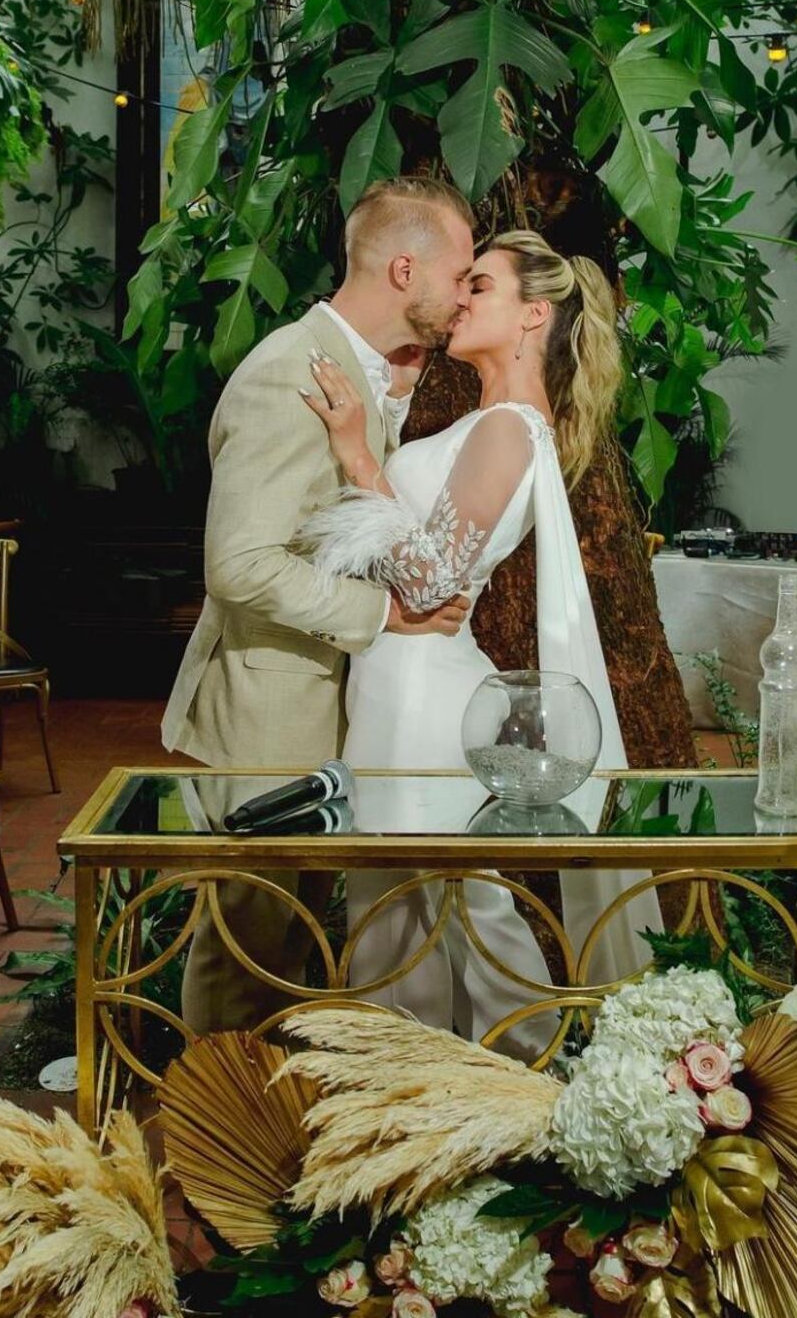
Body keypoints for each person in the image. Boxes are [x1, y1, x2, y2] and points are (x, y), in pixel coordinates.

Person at [299, 229, 663, 1056]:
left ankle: (522, 1078)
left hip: (421, 689)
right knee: (410, 913)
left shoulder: (507, 429)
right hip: (398, 676)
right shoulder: (494, 421)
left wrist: (357, 451)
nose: (461, 299)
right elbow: (430, 554)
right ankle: (416, 1091)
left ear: (535, 315)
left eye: (482, 288)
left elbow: (427, 578)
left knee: (448, 908)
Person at [161, 177, 476, 1033]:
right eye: (459, 272)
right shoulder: (284, 375)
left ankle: (252, 1123)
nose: (465, 292)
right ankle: (212, 1135)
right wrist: (385, 615)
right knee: (247, 945)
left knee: (283, 942)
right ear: (405, 268)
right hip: (268, 706)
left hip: (311, 700)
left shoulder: (357, 375)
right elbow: (238, 562)